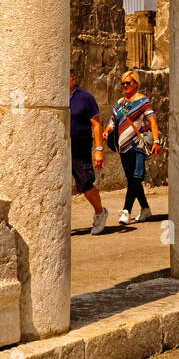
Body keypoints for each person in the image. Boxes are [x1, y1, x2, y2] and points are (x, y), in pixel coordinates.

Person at [106, 71, 161, 226]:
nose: (125, 86)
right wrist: (106, 131)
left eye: (128, 83)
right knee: (132, 179)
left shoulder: (143, 101)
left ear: (135, 84)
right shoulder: (120, 103)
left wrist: (156, 141)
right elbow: (113, 120)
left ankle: (126, 211)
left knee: (135, 178)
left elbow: (152, 121)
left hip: (137, 145)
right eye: (123, 83)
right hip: (123, 146)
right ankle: (145, 208)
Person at [69, 70, 108, 235]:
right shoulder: (55, 96)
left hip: (80, 148)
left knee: (85, 184)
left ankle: (100, 212)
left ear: (73, 78)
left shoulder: (85, 98)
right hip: (61, 148)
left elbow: (97, 125)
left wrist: (99, 150)